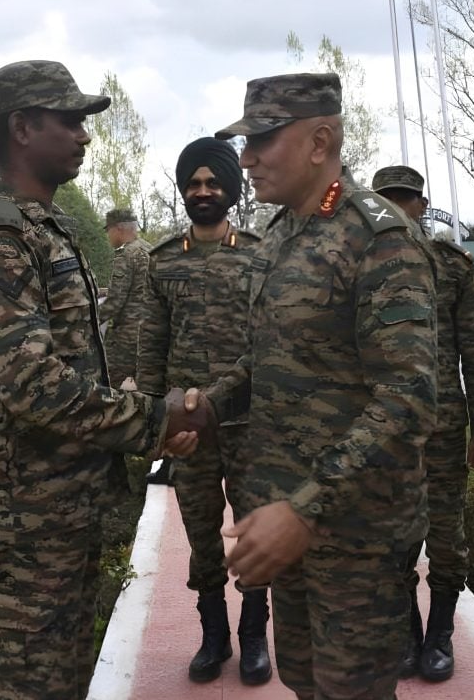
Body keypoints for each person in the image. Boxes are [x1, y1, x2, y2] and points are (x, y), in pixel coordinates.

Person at [0, 59, 203, 700]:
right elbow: (34, 385)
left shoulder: (41, 228)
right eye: (71, 120)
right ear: (22, 127)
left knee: (63, 677)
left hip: (60, 506)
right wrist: (156, 421)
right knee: (36, 686)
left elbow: (73, 367)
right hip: (25, 516)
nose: (85, 135)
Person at [184, 72, 438, 699]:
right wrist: (207, 406)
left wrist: (306, 509)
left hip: (354, 535)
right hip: (286, 517)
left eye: (262, 140)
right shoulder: (279, 237)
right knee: (302, 680)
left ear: (321, 140)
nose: (246, 159)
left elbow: (407, 398)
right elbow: (265, 361)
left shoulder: (378, 238)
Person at [138, 137, 271, 684]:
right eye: (193, 184)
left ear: (231, 189)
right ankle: (213, 637)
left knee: (254, 529)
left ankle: (255, 637)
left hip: (249, 423)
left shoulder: (261, 254)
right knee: (200, 533)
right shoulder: (163, 261)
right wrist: (154, 425)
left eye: (213, 182)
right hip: (188, 429)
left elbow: (270, 341)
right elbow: (152, 348)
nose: (203, 191)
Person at [372, 165, 474, 682]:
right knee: (395, 539)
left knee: (446, 537)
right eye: (389, 201)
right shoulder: (363, 265)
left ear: (422, 206)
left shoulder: (452, 266)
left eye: (408, 200)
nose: (400, 209)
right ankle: (407, 634)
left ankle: (440, 636)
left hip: (444, 429)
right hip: (383, 433)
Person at [98, 208, 151, 390]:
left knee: (111, 387)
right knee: (144, 387)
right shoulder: (150, 251)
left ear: (118, 228)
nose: (108, 236)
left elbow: (115, 303)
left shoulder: (126, 255)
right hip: (149, 333)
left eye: (108, 231)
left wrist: (88, 320)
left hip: (125, 339)